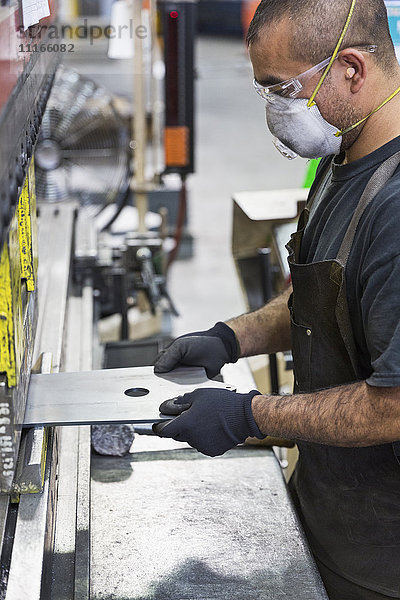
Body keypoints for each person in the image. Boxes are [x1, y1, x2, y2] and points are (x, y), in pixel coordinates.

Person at [153, 0, 400, 598]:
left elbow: (393, 406)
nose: (276, 111)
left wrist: (250, 415)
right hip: (332, 511)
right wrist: (231, 337)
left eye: (282, 89)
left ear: (351, 69)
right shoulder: (345, 158)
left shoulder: (395, 211)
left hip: (383, 560)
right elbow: (324, 299)